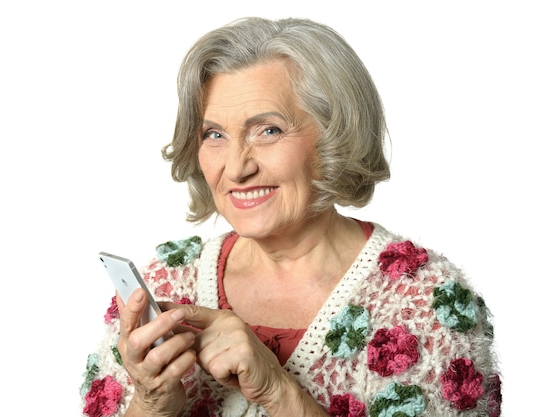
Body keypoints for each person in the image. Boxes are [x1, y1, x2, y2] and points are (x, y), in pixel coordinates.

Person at [79, 17, 502, 417]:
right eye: (214, 135)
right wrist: (152, 405)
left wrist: (279, 392)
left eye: (268, 131)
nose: (237, 168)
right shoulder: (168, 282)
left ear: (336, 134)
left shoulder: (425, 302)